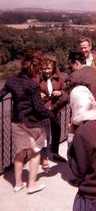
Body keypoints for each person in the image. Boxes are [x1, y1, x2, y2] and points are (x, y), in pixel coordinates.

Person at [0, 50, 54, 194]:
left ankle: (18, 184)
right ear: (35, 69)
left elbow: (1, 94)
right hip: (32, 123)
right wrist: (51, 114)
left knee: (19, 152)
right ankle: (31, 185)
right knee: (35, 152)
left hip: (16, 121)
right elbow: (38, 108)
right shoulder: (32, 85)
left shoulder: (11, 80)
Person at [39, 54, 67, 166]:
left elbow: (65, 90)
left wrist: (60, 92)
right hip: (43, 110)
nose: (47, 71)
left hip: (56, 109)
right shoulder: (37, 78)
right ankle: (43, 157)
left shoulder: (59, 77)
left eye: (49, 68)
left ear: (53, 68)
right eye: (44, 68)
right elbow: (31, 90)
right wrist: (37, 94)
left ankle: (55, 153)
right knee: (44, 134)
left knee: (56, 132)